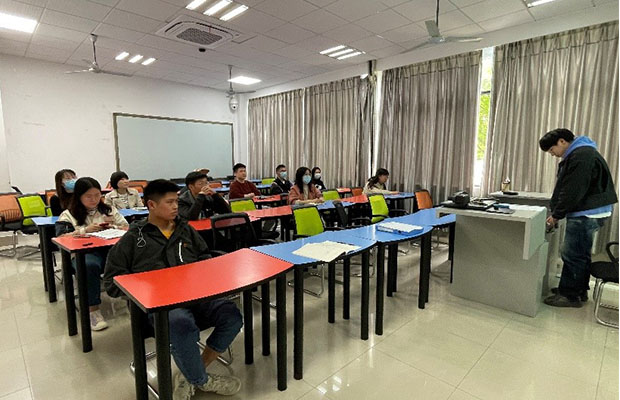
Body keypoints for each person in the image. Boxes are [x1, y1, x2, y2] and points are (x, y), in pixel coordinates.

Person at [103, 179, 242, 399]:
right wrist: (144, 290)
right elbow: (112, 281)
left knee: (231, 315)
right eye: (170, 202)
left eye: (177, 201)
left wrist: (203, 273)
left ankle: (192, 373)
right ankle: (201, 380)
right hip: (160, 306)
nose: (176, 206)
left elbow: (205, 256)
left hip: (195, 296)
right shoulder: (135, 237)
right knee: (181, 324)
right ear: (151, 205)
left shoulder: (184, 229)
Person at [539, 128, 617, 307]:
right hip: (591, 210)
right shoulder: (582, 152)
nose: (552, 154)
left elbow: (572, 190)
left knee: (572, 253)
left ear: (561, 141)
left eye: (551, 150)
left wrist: (556, 215)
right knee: (580, 253)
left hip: (587, 212)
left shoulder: (581, 156)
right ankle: (578, 290)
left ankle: (570, 295)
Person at [55, 177, 129, 331]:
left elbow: (126, 227)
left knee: (129, 258)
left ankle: (130, 299)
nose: (94, 199)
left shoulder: (108, 210)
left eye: (97, 195)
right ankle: (93, 310)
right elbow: (61, 237)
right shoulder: (68, 214)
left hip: (109, 250)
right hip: (84, 253)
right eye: (88, 196)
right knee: (89, 266)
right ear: (79, 196)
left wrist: (113, 226)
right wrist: (84, 230)